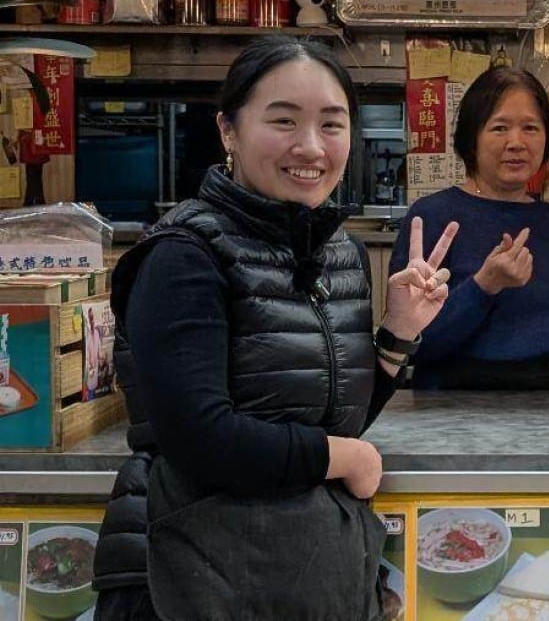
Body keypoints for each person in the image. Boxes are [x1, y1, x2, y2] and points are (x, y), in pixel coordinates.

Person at [91, 36, 458, 620]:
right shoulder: (183, 255)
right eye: (283, 120)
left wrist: (396, 336)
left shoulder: (340, 252)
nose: (310, 146)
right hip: (185, 575)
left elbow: (328, 417)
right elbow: (201, 438)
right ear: (228, 130)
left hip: (304, 569)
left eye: (331, 124)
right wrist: (346, 459)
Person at [389, 67, 549, 392]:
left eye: (531, 128)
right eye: (499, 128)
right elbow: (411, 346)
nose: (516, 143)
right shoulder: (432, 217)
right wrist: (483, 286)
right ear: (471, 139)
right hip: (450, 414)